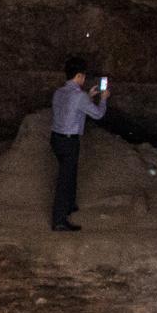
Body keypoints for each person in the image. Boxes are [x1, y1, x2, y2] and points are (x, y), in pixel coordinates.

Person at [50, 56, 109, 232]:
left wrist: (88, 97)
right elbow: (98, 114)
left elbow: (71, 110)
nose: (83, 80)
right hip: (69, 141)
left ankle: (69, 205)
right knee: (65, 178)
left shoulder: (59, 92)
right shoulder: (79, 96)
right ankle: (59, 220)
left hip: (56, 138)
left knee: (69, 172)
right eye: (83, 76)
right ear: (79, 76)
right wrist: (103, 99)